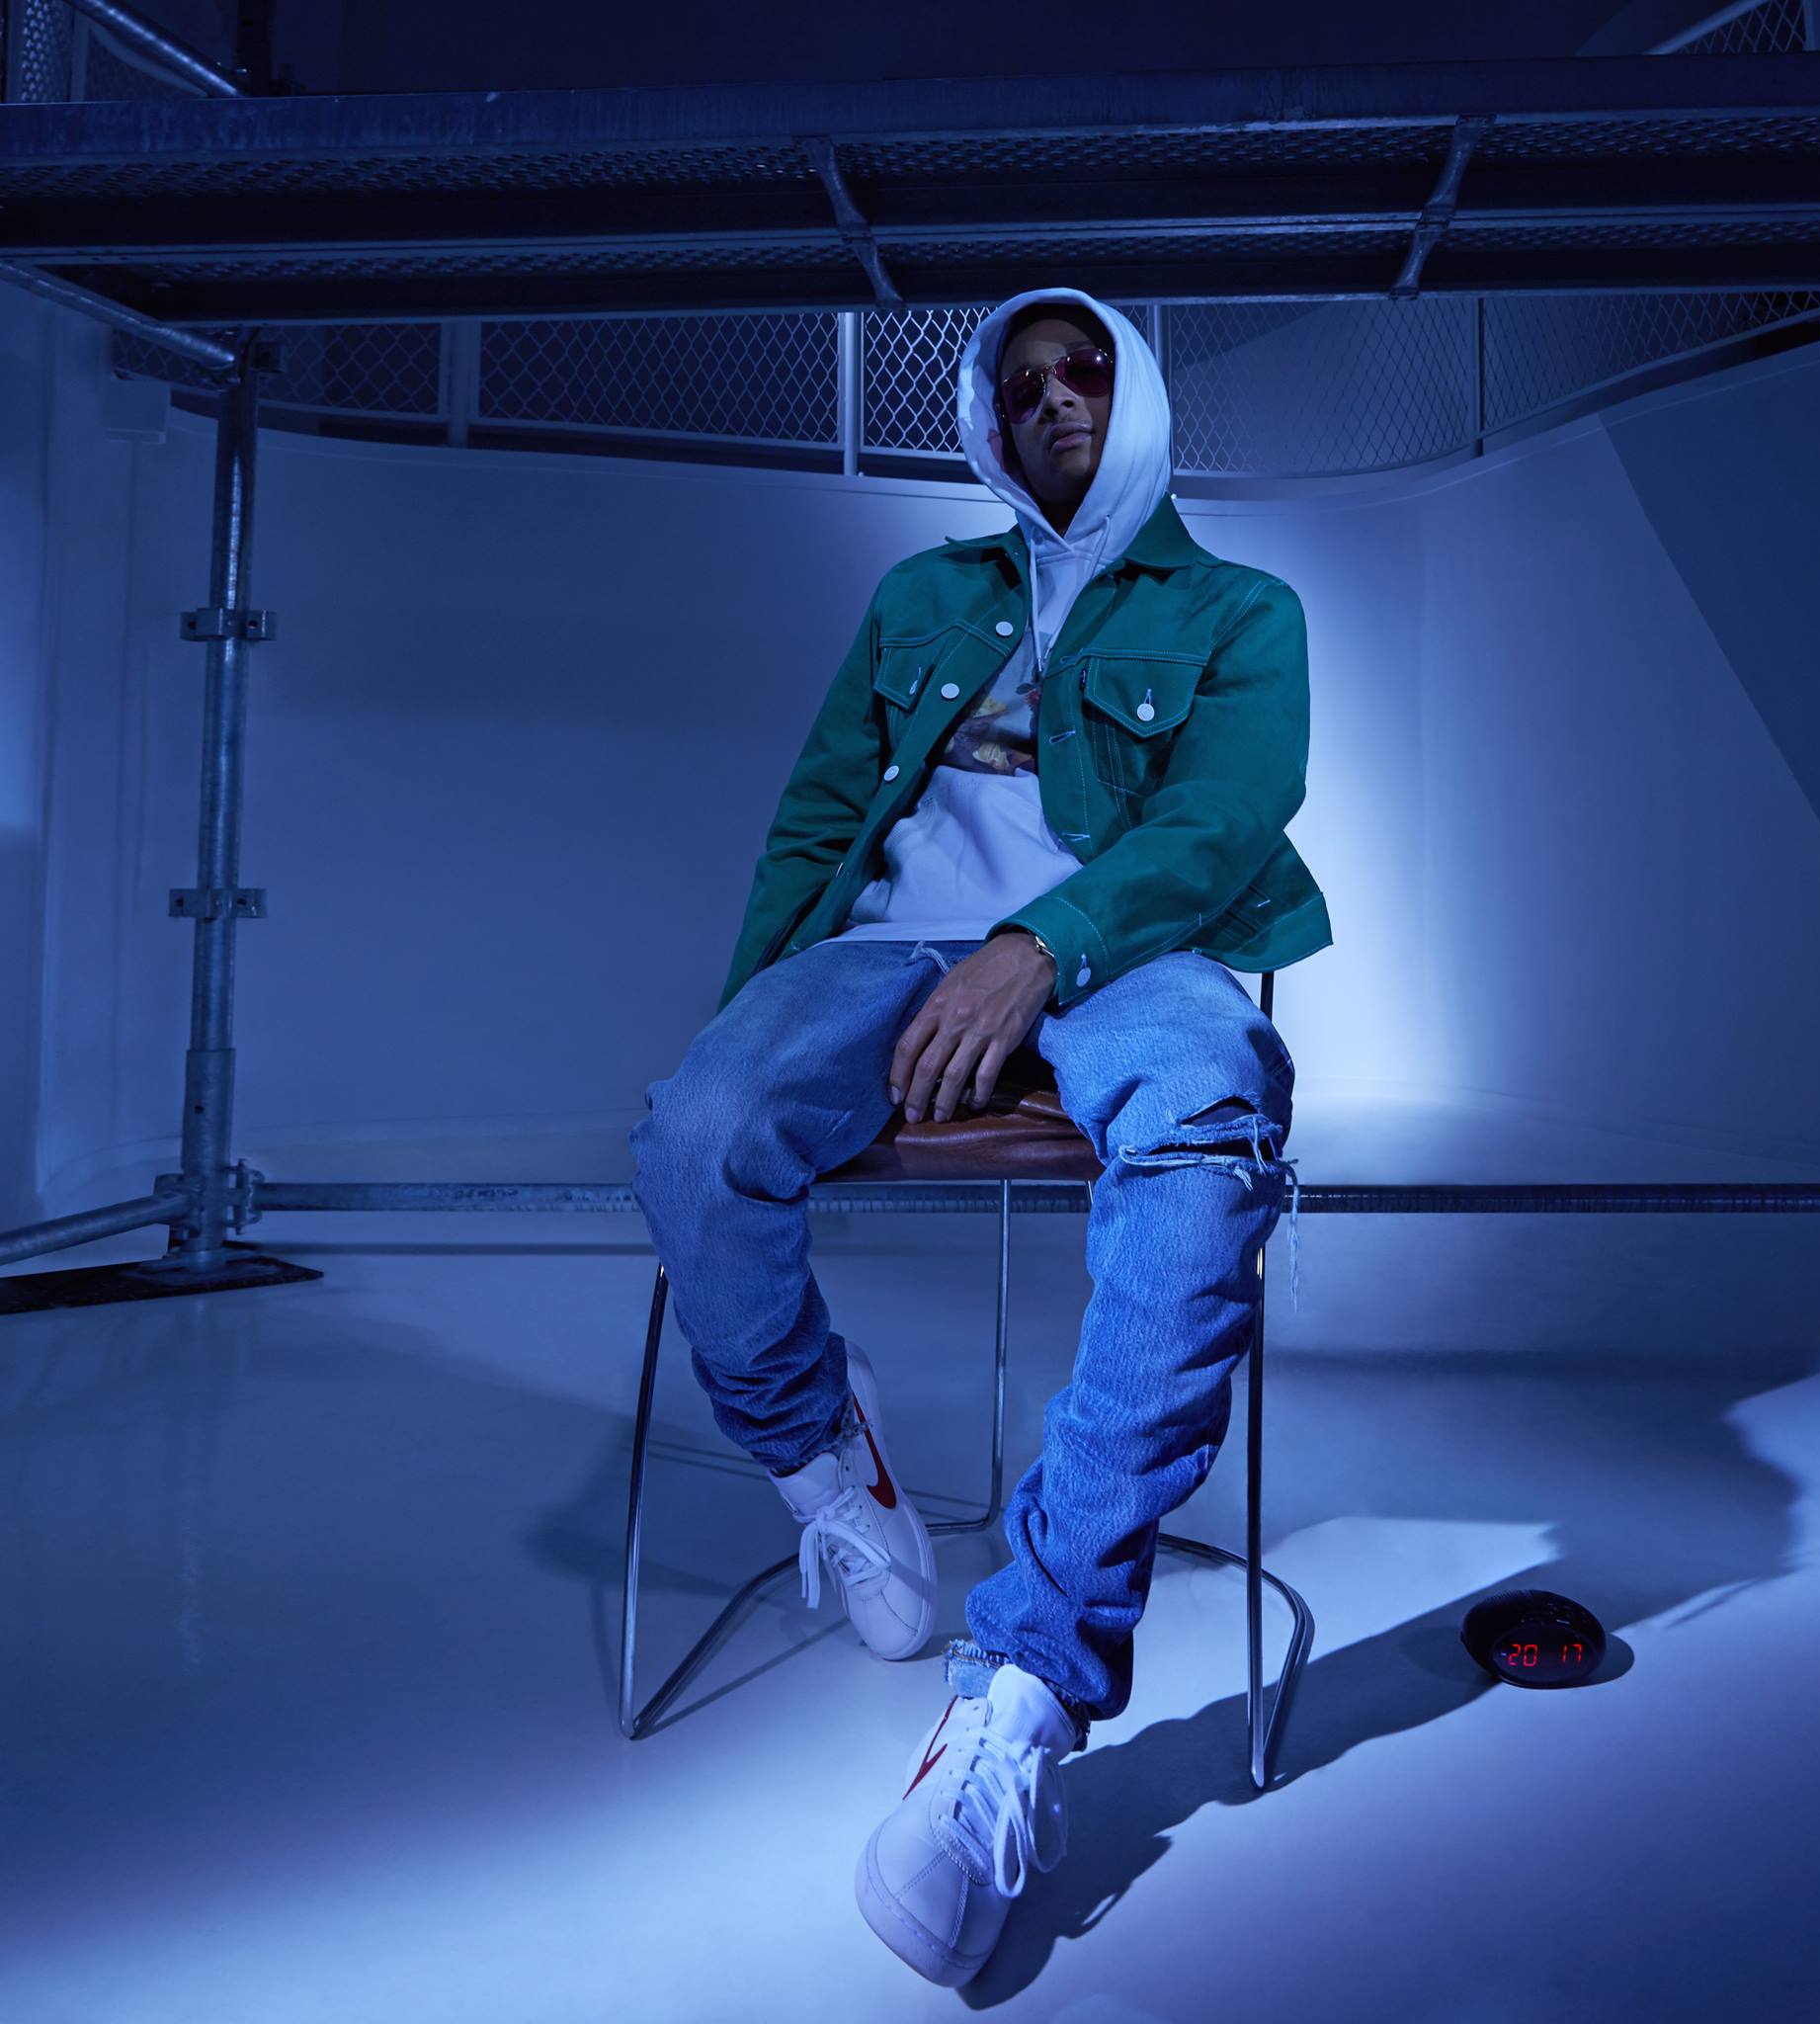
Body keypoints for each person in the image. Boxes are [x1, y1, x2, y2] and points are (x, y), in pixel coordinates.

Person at [628, 285, 1331, 1986]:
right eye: (1024, 385)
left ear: (1136, 394)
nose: (1058, 398)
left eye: (1087, 370)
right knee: (695, 1129)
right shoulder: (922, 597)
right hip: (890, 953)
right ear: (987, 422)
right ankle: (829, 1459)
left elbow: (1228, 817)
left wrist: (1040, 947)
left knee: (1212, 1126)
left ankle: (1019, 1690)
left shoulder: (1243, 609)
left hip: (1129, 952)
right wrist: (750, 1031)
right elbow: (819, 814)